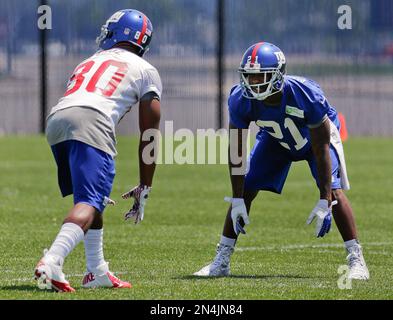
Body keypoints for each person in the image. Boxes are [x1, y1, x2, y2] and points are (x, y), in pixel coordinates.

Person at [194, 42, 369, 280]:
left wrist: (324, 198)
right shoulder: (240, 99)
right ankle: (221, 261)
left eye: (259, 77)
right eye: (249, 77)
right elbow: (236, 152)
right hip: (275, 139)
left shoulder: (306, 94)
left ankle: (356, 259)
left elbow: (321, 147)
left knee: (335, 194)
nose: (253, 83)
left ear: (277, 76)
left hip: (313, 141)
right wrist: (236, 199)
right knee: (246, 189)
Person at [34, 9, 162, 292]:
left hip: (57, 119)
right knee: (90, 202)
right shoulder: (145, 69)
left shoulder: (90, 60)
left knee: (93, 198)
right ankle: (53, 260)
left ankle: (96, 270)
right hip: (91, 120)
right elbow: (150, 132)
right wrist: (146, 185)